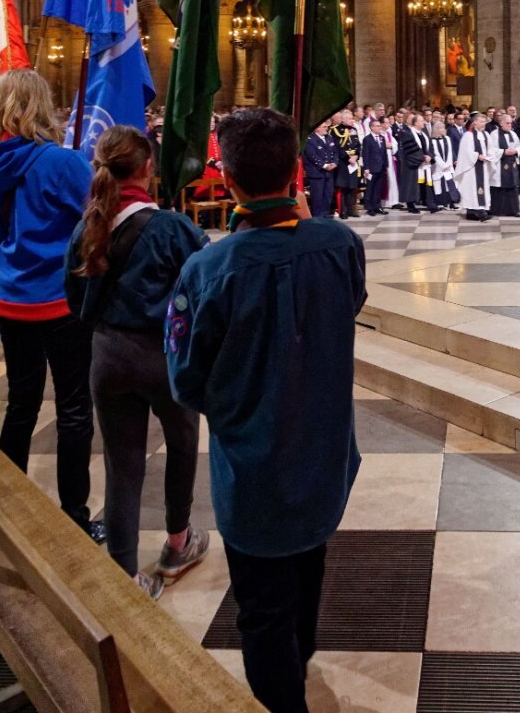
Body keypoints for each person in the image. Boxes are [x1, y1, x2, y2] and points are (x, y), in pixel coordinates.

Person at [166, 108, 364, 713]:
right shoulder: (341, 245)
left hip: (254, 465)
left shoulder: (207, 269)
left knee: (263, 609)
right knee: (307, 574)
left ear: (226, 180)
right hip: (324, 453)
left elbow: (183, 379)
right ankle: (294, 671)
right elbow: (348, 305)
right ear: (296, 171)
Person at [64, 126, 209, 599]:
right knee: (183, 442)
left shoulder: (87, 226)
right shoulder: (170, 226)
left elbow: (72, 296)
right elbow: (203, 289)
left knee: (121, 464)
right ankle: (177, 542)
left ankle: (126, 576)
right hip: (163, 356)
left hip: (106, 356)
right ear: (148, 170)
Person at [0, 71, 104, 542]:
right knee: (74, 408)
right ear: (43, 107)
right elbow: (99, 217)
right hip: (58, 302)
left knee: (20, 405)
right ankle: (74, 517)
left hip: (8, 299)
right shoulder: (59, 162)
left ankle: (10, 510)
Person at [455, 112, 496, 221]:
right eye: (481, 122)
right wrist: (477, 155)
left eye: (484, 122)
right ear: (474, 122)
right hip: (472, 168)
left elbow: (491, 149)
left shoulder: (486, 135)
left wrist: (489, 156)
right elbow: (466, 152)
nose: (484, 124)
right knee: (472, 189)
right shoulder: (468, 135)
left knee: (482, 189)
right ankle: (477, 212)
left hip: (483, 167)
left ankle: (477, 211)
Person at [398, 114, 437, 213]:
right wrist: (422, 157)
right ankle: (411, 204)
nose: (423, 122)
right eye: (421, 120)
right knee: (412, 184)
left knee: (426, 184)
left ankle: (430, 204)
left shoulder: (424, 133)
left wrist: (429, 156)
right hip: (412, 164)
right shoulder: (407, 133)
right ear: (415, 123)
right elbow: (410, 149)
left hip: (424, 163)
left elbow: (430, 146)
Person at [302, 122, 338, 218]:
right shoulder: (310, 140)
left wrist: (334, 163)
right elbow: (312, 155)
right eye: (324, 127)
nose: (327, 128)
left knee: (328, 195)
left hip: (329, 172)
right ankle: (317, 217)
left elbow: (335, 152)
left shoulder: (329, 138)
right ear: (317, 128)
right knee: (317, 197)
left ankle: (325, 215)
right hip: (317, 172)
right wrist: (324, 165)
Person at [330, 110, 361, 219]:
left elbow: (358, 145)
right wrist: (348, 158)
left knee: (352, 187)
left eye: (352, 118)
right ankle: (343, 211)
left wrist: (356, 155)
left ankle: (351, 210)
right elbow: (338, 148)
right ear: (343, 120)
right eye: (349, 119)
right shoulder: (336, 130)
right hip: (343, 162)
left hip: (353, 161)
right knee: (343, 187)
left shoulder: (354, 130)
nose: (352, 120)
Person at [489, 113, 520, 216]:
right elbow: (491, 150)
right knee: (499, 187)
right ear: (501, 123)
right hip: (499, 165)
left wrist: (516, 150)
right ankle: (497, 210)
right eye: (507, 123)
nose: (510, 125)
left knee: (512, 186)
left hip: (512, 165)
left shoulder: (513, 134)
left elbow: (519, 146)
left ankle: (513, 210)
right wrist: (503, 151)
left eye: (511, 123)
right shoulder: (494, 134)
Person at [361, 119, 390, 216]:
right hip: (371, 168)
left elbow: (384, 153)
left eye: (379, 125)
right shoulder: (367, 139)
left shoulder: (382, 138)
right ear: (372, 127)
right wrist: (366, 168)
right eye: (377, 126)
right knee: (370, 188)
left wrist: (386, 165)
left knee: (378, 188)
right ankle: (370, 208)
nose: (379, 127)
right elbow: (365, 154)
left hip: (381, 167)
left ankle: (377, 206)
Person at [430, 120, 460, 209]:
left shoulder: (447, 138)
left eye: (443, 128)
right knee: (438, 184)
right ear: (437, 129)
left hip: (448, 166)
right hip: (438, 167)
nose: (443, 130)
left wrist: (453, 160)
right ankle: (440, 203)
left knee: (450, 184)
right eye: (441, 128)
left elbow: (451, 151)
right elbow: (434, 154)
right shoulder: (432, 140)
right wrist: (442, 164)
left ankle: (451, 202)